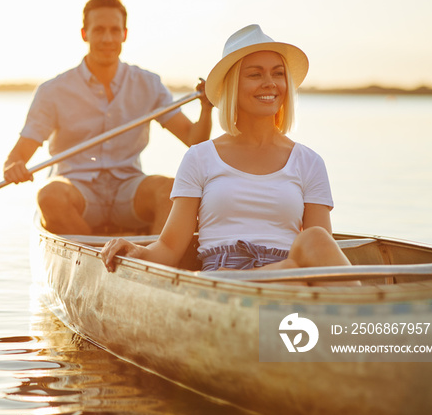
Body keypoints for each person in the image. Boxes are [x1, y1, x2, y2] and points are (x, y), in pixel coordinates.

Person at [101, 24, 358, 286]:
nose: (269, 83)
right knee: (290, 269)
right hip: (221, 283)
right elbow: (169, 247)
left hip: (289, 280)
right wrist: (136, 251)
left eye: (278, 73)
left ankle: (349, 308)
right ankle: (370, 316)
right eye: (255, 75)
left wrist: (288, 269)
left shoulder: (309, 162)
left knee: (314, 238)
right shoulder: (200, 158)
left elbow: (323, 255)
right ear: (232, 85)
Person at [4, 0, 213, 235]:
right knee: (50, 196)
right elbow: (19, 154)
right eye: (99, 30)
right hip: (77, 191)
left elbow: (194, 139)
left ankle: (155, 262)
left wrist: (206, 108)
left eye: (115, 30)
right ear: (85, 34)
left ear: (124, 34)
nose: (107, 38)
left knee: (170, 190)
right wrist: (13, 165)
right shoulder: (53, 91)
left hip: (128, 188)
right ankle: (98, 257)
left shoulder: (149, 83)